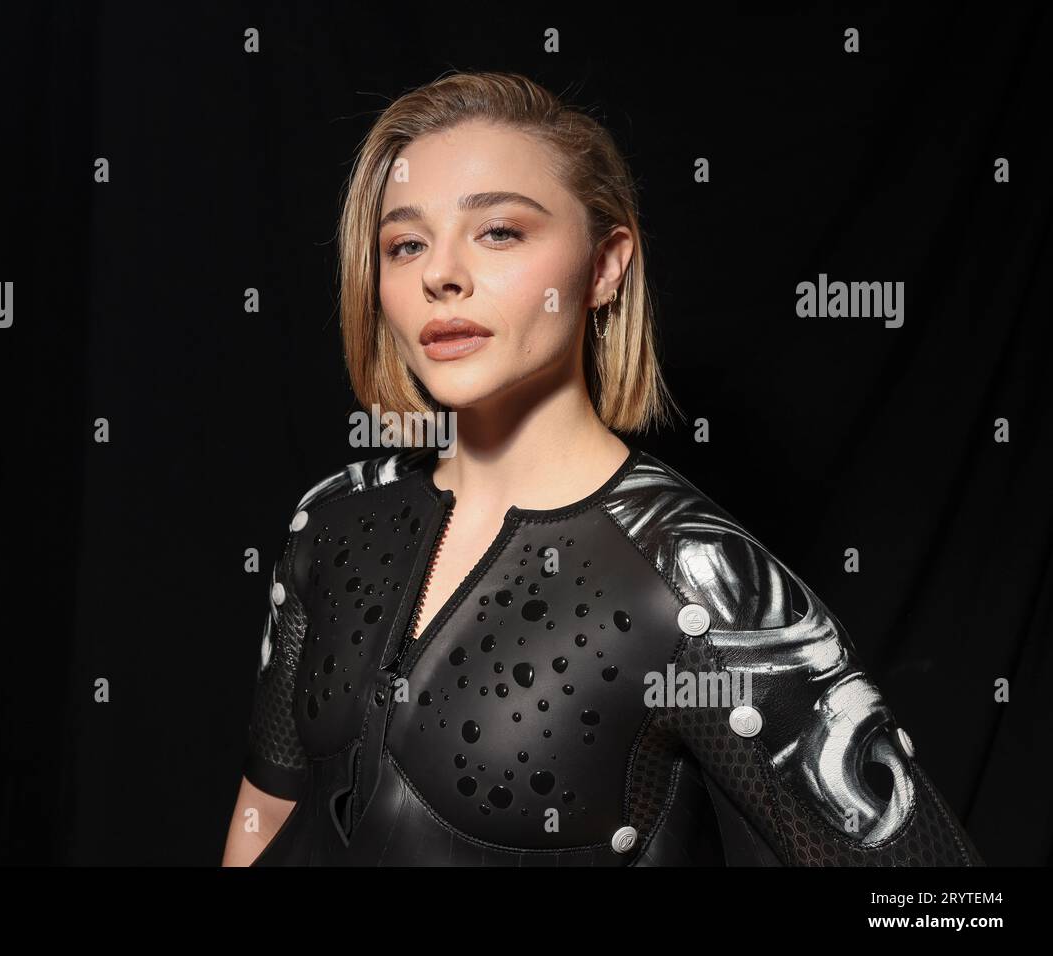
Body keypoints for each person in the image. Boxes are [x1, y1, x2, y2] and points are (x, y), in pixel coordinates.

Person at [221, 70, 983, 866]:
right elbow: (263, 820)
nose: (438, 274)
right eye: (405, 244)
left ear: (606, 264)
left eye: (499, 232)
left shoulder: (697, 584)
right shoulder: (336, 519)